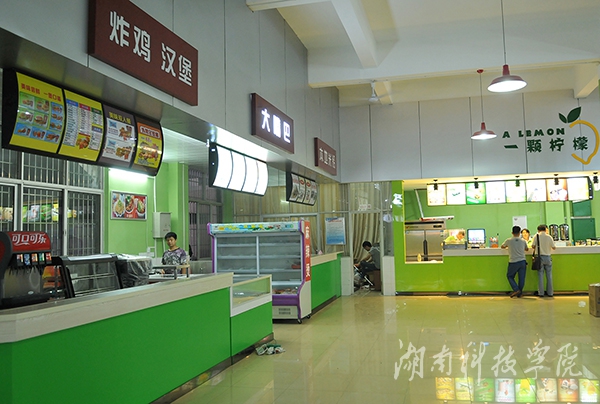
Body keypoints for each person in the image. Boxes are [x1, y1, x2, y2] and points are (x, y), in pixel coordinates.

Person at [501, 225, 529, 298]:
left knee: (510, 276)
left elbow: (502, 246)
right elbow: (527, 249)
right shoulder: (523, 241)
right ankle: (520, 293)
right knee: (521, 278)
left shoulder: (508, 240)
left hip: (513, 261)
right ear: (520, 233)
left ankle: (516, 289)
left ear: (512, 233)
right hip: (522, 261)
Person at [531, 224, 556, 298]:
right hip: (548, 257)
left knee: (540, 276)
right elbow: (554, 247)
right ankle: (550, 292)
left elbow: (533, 246)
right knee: (549, 276)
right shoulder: (549, 237)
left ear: (538, 230)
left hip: (539, 258)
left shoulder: (536, 236)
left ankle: (541, 293)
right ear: (545, 229)